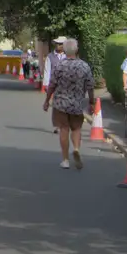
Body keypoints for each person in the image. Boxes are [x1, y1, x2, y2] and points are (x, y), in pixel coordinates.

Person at [43, 38, 93, 170]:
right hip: (76, 103)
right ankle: (76, 148)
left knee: (63, 129)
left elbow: (52, 84)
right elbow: (90, 86)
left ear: (65, 50)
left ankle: (65, 160)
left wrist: (47, 101)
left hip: (61, 103)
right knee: (76, 129)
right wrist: (92, 102)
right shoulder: (84, 66)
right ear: (76, 50)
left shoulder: (59, 65)